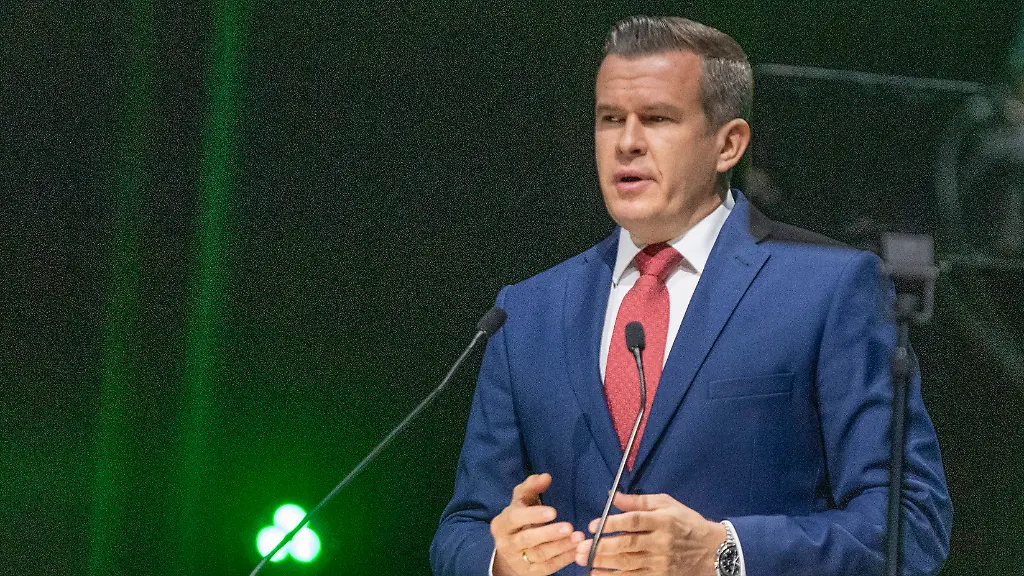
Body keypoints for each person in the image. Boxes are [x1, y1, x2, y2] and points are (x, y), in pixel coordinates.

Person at [431, 15, 952, 576]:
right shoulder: (526, 312)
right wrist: (500, 560)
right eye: (610, 119)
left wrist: (721, 553)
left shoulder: (828, 289)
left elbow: (910, 523)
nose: (627, 143)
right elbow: (462, 529)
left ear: (728, 144)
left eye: (657, 118)